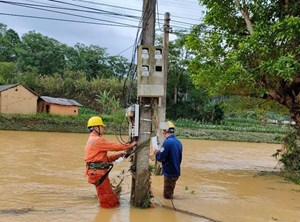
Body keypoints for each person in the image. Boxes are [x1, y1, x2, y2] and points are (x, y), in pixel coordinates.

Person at [85, 116, 137, 208]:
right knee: (108, 202)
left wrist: (121, 154)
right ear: (95, 128)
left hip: (96, 173)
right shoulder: (97, 140)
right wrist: (130, 145)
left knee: (111, 199)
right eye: (101, 126)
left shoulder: (91, 140)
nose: (103, 128)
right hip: (98, 174)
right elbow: (114, 146)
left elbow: (106, 159)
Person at [154, 121, 183, 199]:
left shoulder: (167, 143)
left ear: (165, 131)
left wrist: (156, 153)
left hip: (170, 173)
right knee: (170, 191)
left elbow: (160, 157)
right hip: (176, 171)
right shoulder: (178, 142)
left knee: (167, 196)